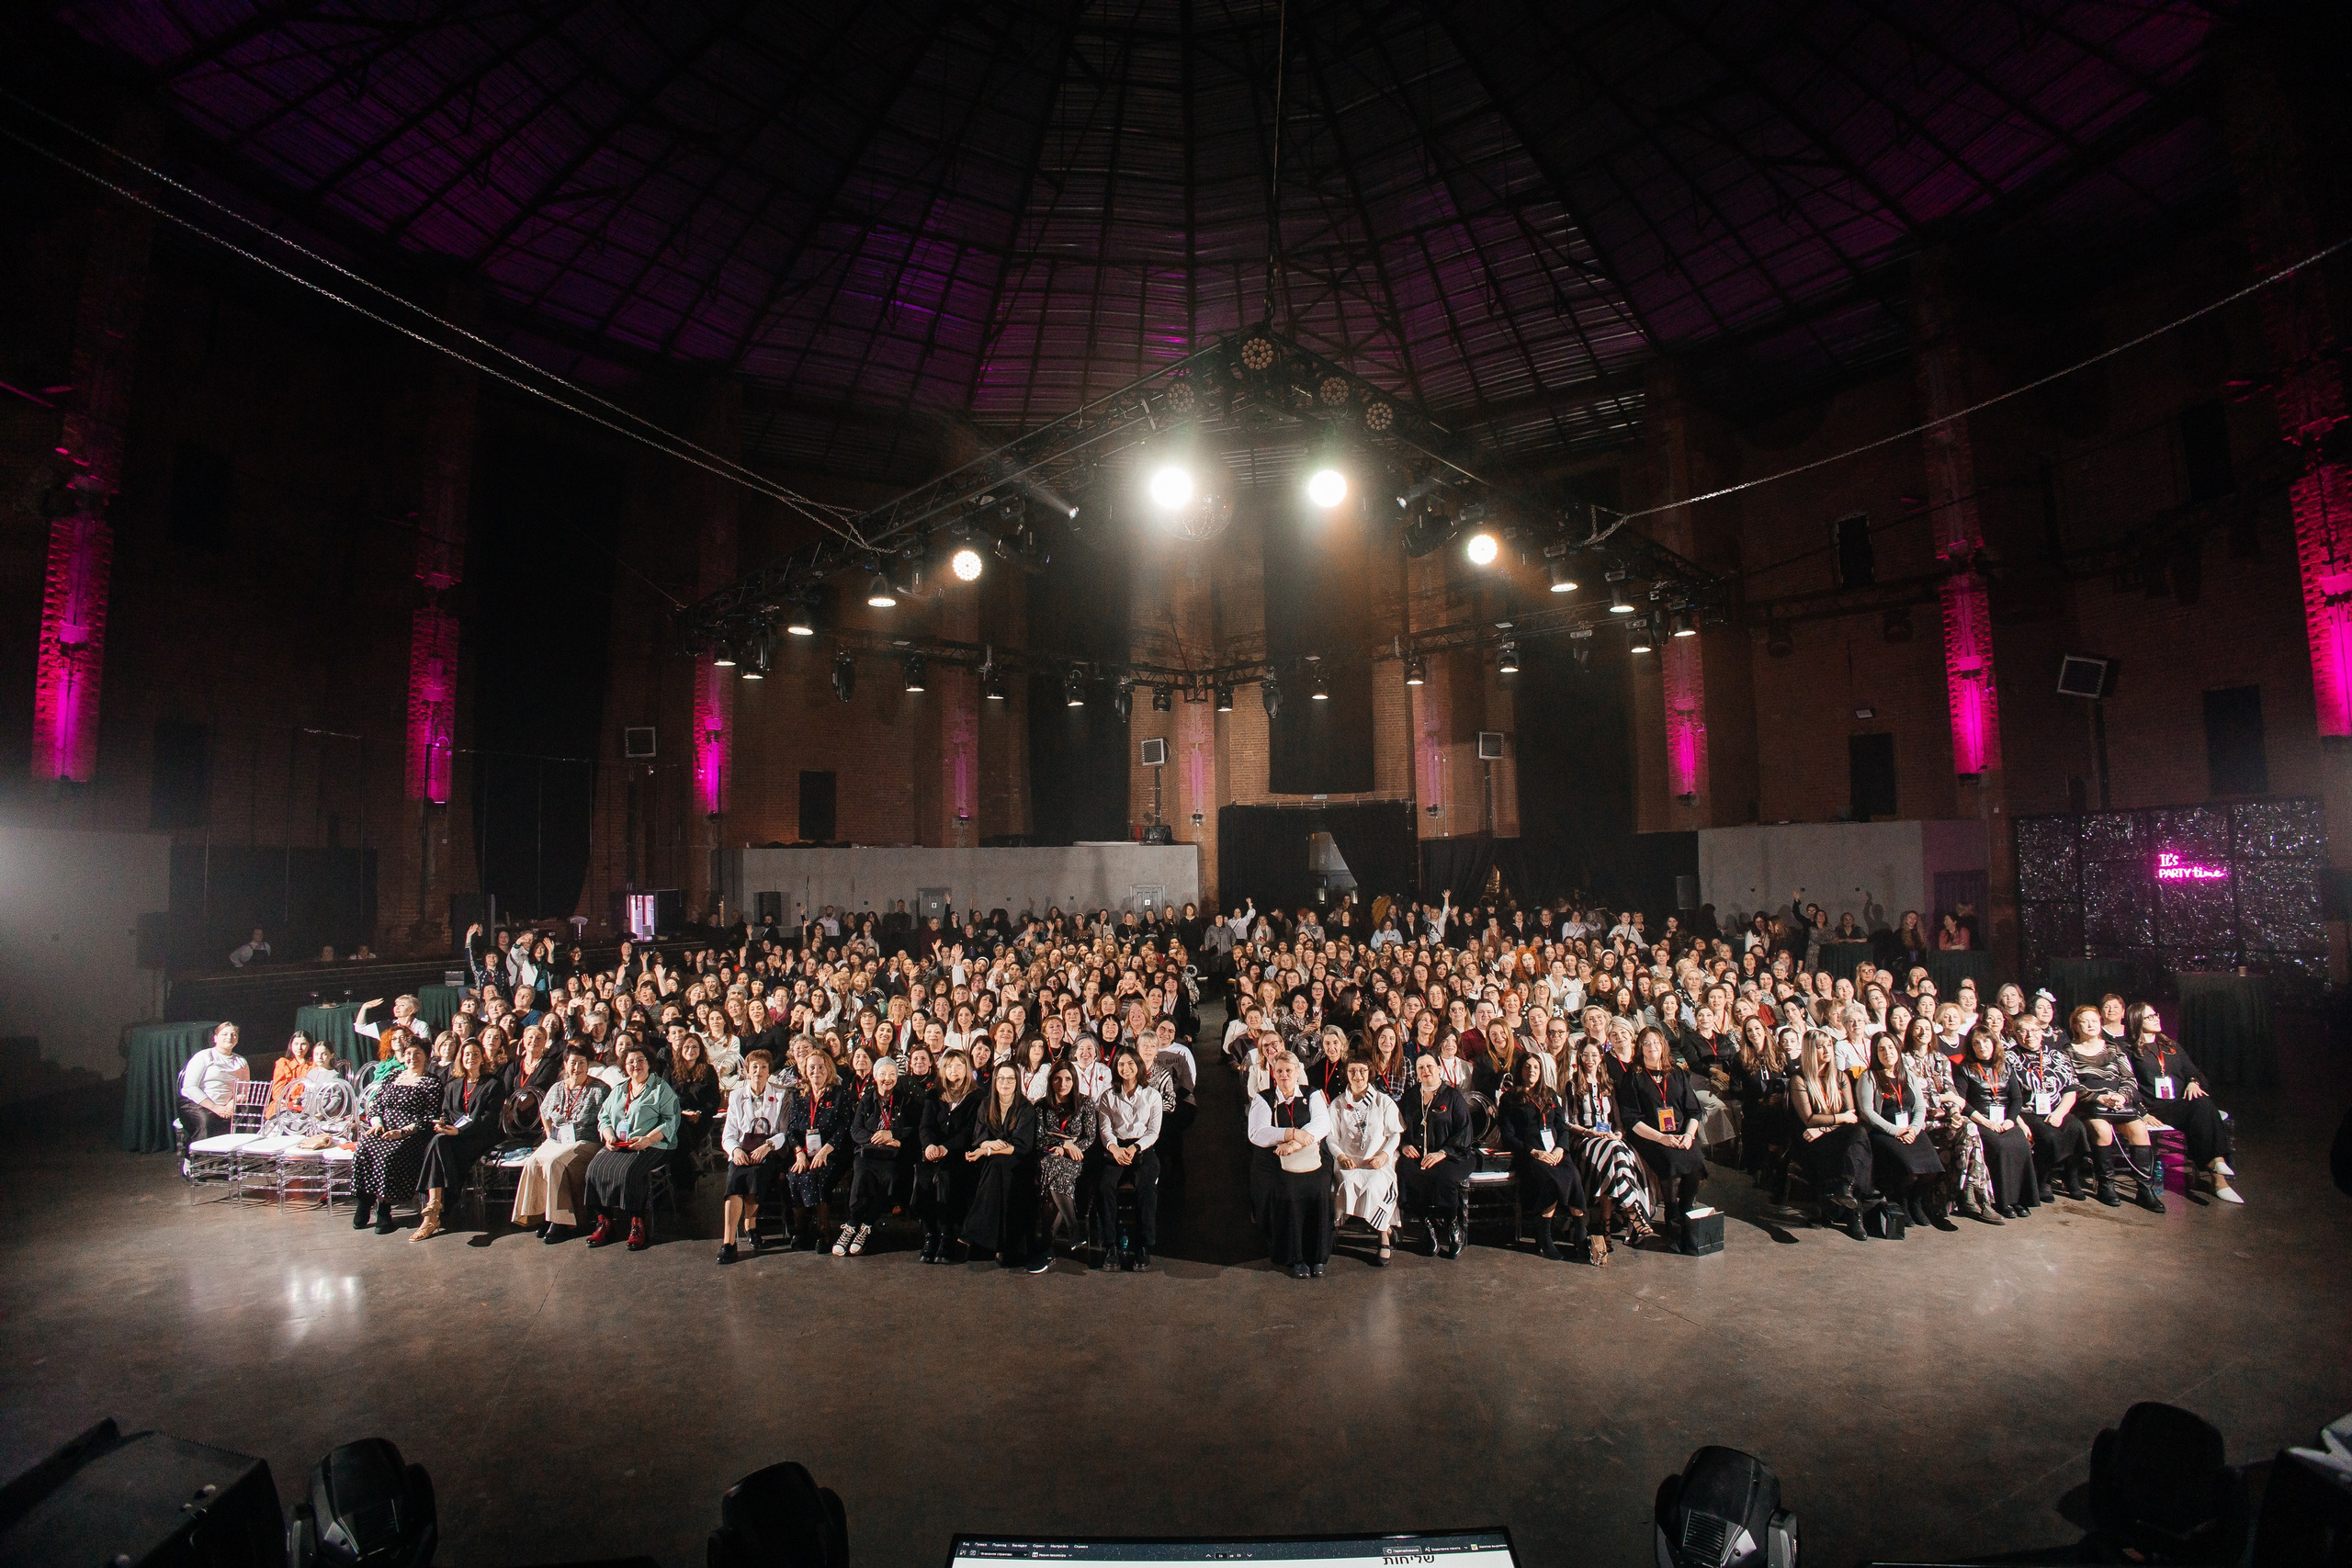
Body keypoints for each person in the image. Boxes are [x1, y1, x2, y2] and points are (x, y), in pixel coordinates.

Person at [2124, 1002, 2240, 1203]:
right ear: (2137, 1021)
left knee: (2201, 1101)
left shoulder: (2171, 1046)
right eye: (2150, 1017)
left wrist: (2193, 1083)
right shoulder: (2130, 1051)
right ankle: (2218, 1176)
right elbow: (2128, 1085)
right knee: (2201, 1109)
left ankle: (2217, 1164)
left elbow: (2194, 1072)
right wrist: (2142, 1112)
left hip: (2180, 1102)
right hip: (2156, 1107)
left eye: (2156, 1014)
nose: (2156, 1018)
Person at [2065, 1005, 2165, 1212]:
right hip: (2090, 1105)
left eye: (2094, 1020)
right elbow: (2070, 1084)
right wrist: (2099, 1098)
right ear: (2076, 1026)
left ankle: (2145, 1189)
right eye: (2085, 1021)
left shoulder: (2113, 1048)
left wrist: (2122, 1095)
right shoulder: (2068, 1051)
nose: (2091, 1024)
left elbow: (2129, 1079)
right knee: (2102, 1130)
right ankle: (2106, 1185)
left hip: (2119, 1104)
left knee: (2139, 1130)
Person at [584, 1045, 680, 1250]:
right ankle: (604, 1221)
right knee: (594, 1169)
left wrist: (647, 1139)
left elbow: (671, 1121)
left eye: (640, 1060)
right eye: (631, 1062)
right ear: (624, 1066)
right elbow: (603, 1117)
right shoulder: (620, 1089)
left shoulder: (661, 1088)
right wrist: (608, 1135)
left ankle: (637, 1223)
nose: (636, 1065)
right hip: (621, 1143)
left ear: (648, 1063)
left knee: (629, 1172)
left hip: (654, 1144)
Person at [1248, 1052, 1334, 1278]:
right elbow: (1257, 1133)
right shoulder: (1263, 1098)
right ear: (1273, 1074)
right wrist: (1291, 1133)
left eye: (1289, 1071)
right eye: (1279, 1071)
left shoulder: (1312, 1093)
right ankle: (1295, 1257)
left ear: (1298, 1072)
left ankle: (1318, 1256)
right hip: (1276, 1160)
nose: (1284, 1075)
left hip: (1310, 1155)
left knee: (1320, 1189)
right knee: (1288, 1191)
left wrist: (1294, 1144)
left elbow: (1322, 1124)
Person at [411, 1039, 507, 1241]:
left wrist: (458, 1131)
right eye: (467, 1054)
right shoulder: (454, 1084)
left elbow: (488, 1119)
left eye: (475, 1054)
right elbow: (446, 1112)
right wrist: (444, 1126)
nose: (471, 1058)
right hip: (453, 1137)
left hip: (480, 1136)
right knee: (438, 1140)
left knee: (439, 1144)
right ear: (460, 1059)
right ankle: (436, 1206)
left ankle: (434, 1210)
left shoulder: (493, 1083)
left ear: (482, 1057)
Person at [1621, 1025, 1709, 1247]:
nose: (1652, 1047)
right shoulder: (1633, 1076)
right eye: (1647, 1043)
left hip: (1679, 1133)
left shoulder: (1677, 1072)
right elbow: (1632, 1119)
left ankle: (1686, 1209)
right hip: (1649, 1135)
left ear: (1663, 1046)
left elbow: (1694, 1111)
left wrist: (1688, 1135)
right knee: (1670, 1161)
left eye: (1656, 1042)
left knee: (1696, 1160)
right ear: (1640, 1048)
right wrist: (1661, 1138)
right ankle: (1672, 1214)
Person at [1498, 1055, 1589, 1262]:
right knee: (1551, 1180)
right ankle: (1544, 1236)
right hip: (1530, 1154)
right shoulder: (1509, 1098)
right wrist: (1534, 1152)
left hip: (1555, 1151)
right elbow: (1508, 1136)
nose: (1531, 1071)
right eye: (1527, 1067)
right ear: (1520, 1070)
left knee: (1573, 1174)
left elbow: (1562, 1127)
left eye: (1536, 1067)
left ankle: (1581, 1233)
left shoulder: (1549, 1094)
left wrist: (1560, 1149)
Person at [514, 1047, 607, 1243]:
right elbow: (544, 1112)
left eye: (582, 1063)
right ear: (565, 1065)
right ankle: (542, 1215)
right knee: (534, 1161)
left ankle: (562, 1221)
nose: (577, 1067)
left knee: (555, 1163)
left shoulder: (599, 1089)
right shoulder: (557, 1088)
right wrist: (549, 1137)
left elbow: (606, 1119)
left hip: (586, 1141)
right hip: (558, 1139)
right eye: (573, 1063)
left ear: (588, 1065)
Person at [352, 1040, 440, 1234]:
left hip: (412, 1135)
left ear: (426, 1057)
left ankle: (384, 1208)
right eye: (409, 1053)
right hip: (383, 1129)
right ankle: (364, 1202)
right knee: (363, 1148)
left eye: (418, 1053)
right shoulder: (393, 1076)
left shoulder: (432, 1082)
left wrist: (402, 1132)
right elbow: (376, 1105)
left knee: (389, 1155)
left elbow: (430, 1117)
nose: (412, 1058)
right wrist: (377, 1124)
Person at [1790, 1032, 1871, 1239]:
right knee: (1856, 1145)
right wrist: (1835, 1121)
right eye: (1820, 1047)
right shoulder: (1799, 1079)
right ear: (1810, 1051)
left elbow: (1851, 1116)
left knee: (1857, 1138)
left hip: (1832, 1134)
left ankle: (1848, 1189)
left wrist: (1825, 1127)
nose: (1827, 1051)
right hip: (1812, 1142)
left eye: (1829, 1045)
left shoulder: (1841, 1076)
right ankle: (1854, 1212)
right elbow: (1809, 1119)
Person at [1860, 1032, 1945, 1225]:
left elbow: (1920, 1107)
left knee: (1932, 1168)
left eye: (1890, 1048)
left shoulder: (1907, 1074)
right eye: (1881, 1049)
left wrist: (1914, 1129)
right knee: (1910, 1169)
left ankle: (1916, 1202)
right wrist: (1896, 1132)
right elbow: (1868, 1112)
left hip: (1911, 1129)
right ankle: (1903, 1202)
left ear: (1897, 1050)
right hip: (1885, 1131)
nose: (1887, 1053)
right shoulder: (1869, 1077)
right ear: (1875, 1053)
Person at [1396, 1053, 1475, 1259]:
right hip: (1419, 1155)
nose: (1426, 1071)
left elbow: (1465, 1132)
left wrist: (1442, 1153)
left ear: (1439, 1069)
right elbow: (1399, 1128)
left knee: (1444, 1178)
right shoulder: (1410, 1096)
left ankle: (1452, 1227)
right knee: (1405, 1171)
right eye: (1421, 1067)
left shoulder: (1453, 1097)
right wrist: (1404, 1146)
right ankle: (1428, 1226)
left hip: (1453, 1155)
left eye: (1430, 1066)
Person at [717, 1050, 792, 1263]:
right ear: (748, 1072)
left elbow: (784, 1132)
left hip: (770, 1150)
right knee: (734, 1179)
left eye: (764, 1067)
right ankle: (728, 1242)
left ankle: (751, 1227)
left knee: (756, 1174)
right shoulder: (736, 1096)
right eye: (754, 1068)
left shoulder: (780, 1095)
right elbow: (729, 1134)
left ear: (769, 1072)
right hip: (744, 1149)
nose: (759, 1072)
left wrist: (767, 1146)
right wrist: (736, 1150)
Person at [1095, 1043, 1165, 1272]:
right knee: (1105, 1187)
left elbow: (1153, 1131)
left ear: (1138, 1066)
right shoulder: (1108, 1096)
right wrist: (1115, 1149)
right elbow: (1105, 1129)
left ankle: (1144, 1245)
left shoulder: (1152, 1095)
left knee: (1146, 1188)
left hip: (1142, 1148)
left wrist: (1135, 1148)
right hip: (1115, 1148)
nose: (1126, 1068)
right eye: (1121, 1064)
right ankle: (1111, 1246)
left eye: (1130, 1063)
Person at [960, 1061, 1037, 1267]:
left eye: (1010, 1078)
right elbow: (979, 1136)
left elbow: (1021, 1146)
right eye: (1001, 1078)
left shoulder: (1025, 1108)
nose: (1005, 1082)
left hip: (1019, 1162)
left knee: (997, 1165)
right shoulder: (986, 1104)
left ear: (1017, 1082)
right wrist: (988, 1144)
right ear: (994, 1081)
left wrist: (986, 1150)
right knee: (994, 1167)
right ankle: (1000, 1245)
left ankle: (974, 1232)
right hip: (992, 1163)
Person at [1326, 1057, 1401, 1265]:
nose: (1357, 1076)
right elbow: (1330, 1136)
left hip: (1377, 1161)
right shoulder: (1338, 1103)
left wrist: (1383, 1155)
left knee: (1375, 1185)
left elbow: (1395, 1134)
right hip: (1349, 1161)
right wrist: (1341, 1156)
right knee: (1349, 1184)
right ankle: (1338, 1230)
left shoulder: (1383, 1101)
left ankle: (1383, 1234)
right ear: (1346, 1074)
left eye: (1362, 1071)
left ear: (1370, 1074)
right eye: (1352, 1071)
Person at [840, 1055, 917, 1257]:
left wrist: (893, 1134)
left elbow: (914, 1128)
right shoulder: (867, 1099)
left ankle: (866, 1224)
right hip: (868, 1152)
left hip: (893, 1155)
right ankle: (852, 1224)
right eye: (883, 1074)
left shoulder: (905, 1099)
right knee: (863, 1174)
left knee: (889, 1177)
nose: (887, 1078)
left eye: (892, 1074)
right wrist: (877, 1136)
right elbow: (856, 1131)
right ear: (875, 1076)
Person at [1956, 1028, 2037, 1218]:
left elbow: (2016, 1099)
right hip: (1980, 1120)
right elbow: (1962, 1102)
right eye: (1977, 1043)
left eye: (1986, 1042)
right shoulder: (1964, 1068)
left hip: (2005, 1121)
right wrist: (1985, 1121)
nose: (1982, 1047)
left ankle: (2020, 1200)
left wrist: (2010, 1121)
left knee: (2020, 1143)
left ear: (1994, 1044)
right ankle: (2003, 1201)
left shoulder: (2005, 1067)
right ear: (1971, 1046)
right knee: (2000, 1146)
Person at [2009, 1017, 2091, 1202]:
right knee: (2048, 1135)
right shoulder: (2009, 1057)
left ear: (2042, 1032)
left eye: (2034, 1030)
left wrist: (2059, 1113)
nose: (2029, 1036)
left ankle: (2070, 1177)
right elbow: (2008, 1096)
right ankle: (2044, 1180)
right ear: (2016, 1034)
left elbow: (2070, 1091)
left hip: (2056, 1108)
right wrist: (2018, 1121)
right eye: (2023, 1031)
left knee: (2077, 1128)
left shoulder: (2058, 1056)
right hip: (2026, 1111)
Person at [1033, 1062, 1099, 1269]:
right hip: (1048, 1156)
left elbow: (1089, 1137)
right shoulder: (1041, 1106)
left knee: (1057, 1173)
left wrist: (1070, 1148)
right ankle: (1074, 1228)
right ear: (1051, 1081)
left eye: (1068, 1079)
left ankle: (1046, 1244)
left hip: (1076, 1158)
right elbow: (1039, 1138)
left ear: (1074, 1081)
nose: (1063, 1084)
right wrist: (1062, 1145)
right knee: (1054, 1166)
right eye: (1057, 1079)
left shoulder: (1085, 1103)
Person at [917, 1049, 979, 1264]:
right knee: (923, 1177)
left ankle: (946, 1235)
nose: (954, 1070)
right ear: (944, 1069)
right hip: (933, 1152)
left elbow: (969, 1132)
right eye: (950, 1066)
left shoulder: (976, 1097)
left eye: (959, 1066)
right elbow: (925, 1126)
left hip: (959, 1154)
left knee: (945, 1176)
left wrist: (946, 1148)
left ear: (967, 1070)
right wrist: (929, 1146)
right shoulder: (934, 1094)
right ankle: (930, 1234)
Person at [786, 1051, 851, 1250]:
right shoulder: (799, 1097)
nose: (816, 1071)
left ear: (828, 1069)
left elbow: (844, 1128)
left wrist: (824, 1151)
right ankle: (801, 1230)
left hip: (833, 1153)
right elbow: (791, 1129)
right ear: (805, 1070)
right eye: (811, 1067)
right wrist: (799, 1153)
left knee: (817, 1176)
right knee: (795, 1175)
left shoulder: (840, 1095)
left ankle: (824, 1231)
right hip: (806, 1152)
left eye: (821, 1067)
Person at [177, 1022, 251, 1158]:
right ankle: (194, 1163)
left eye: (233, 1035)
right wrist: (215, 1107)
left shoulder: (241, 1061)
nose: (229, 1037)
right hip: (197, 1104)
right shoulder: (204, 1056)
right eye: (225, 1034)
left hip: (228, 1105)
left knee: (250, 1119)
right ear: (215, 1038)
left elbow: (244, 1091)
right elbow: (190, 1087)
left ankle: (234, 1162)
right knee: (206, 1121)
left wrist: (231, 1104)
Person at [666, 1033, 723, 1195]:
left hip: (700, 1119)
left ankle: (682, 1184)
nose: (691, 1050)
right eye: (687, 1047)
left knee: (681, 1135)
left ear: (700, 1050)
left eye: (695, 1047)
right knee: (680, 1130)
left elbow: (714, 1100)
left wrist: (699, 1113)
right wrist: (681, 1112)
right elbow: (665, 1097)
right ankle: (691, 1167)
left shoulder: (708, 1071)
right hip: (676, 1116)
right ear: (680, 1050)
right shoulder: (671, 1070)